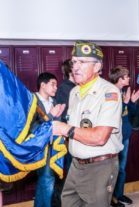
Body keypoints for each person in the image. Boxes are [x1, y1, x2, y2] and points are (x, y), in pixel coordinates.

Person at [52, 41, 123, 207]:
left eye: (82, 62)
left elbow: (99, 137)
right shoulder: (74, 92)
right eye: (74, 62)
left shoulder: (109, 92)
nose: (75, 67)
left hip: (100, 167)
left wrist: (65, 129)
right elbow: (74, 129)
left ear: (97, 66)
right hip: (76, 165)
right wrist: (55, 121)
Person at [109, 66, 139, 207]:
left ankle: (119, 195)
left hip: (125, 136)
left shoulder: (123, 91)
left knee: (121, 169)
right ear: (120, 78)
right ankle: (111, 199)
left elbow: (130, 113)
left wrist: (132, 102)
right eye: (127, 76)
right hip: (114, 138)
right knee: (112, 170)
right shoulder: (109, 93)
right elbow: (112, 114)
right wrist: (126, 103)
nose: (129, 78)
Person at [33, 72, 66, 207]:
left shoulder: (54, 101)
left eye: (56, 85)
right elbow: (33, 128)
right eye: (53, 84)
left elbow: (58, 123)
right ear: (43, 85)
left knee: (47, 181)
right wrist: (51, 115)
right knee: (47, 181)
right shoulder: (33, 101)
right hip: (41, 148)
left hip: (54, 146)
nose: (55, 88)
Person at [52, 59, 76, 207]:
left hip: (76, 137)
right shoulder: (65, 88)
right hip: (67, 139)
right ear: (70, 71)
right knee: (64, 176)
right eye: (77, 65)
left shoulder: (76, 87)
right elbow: (64, 115)